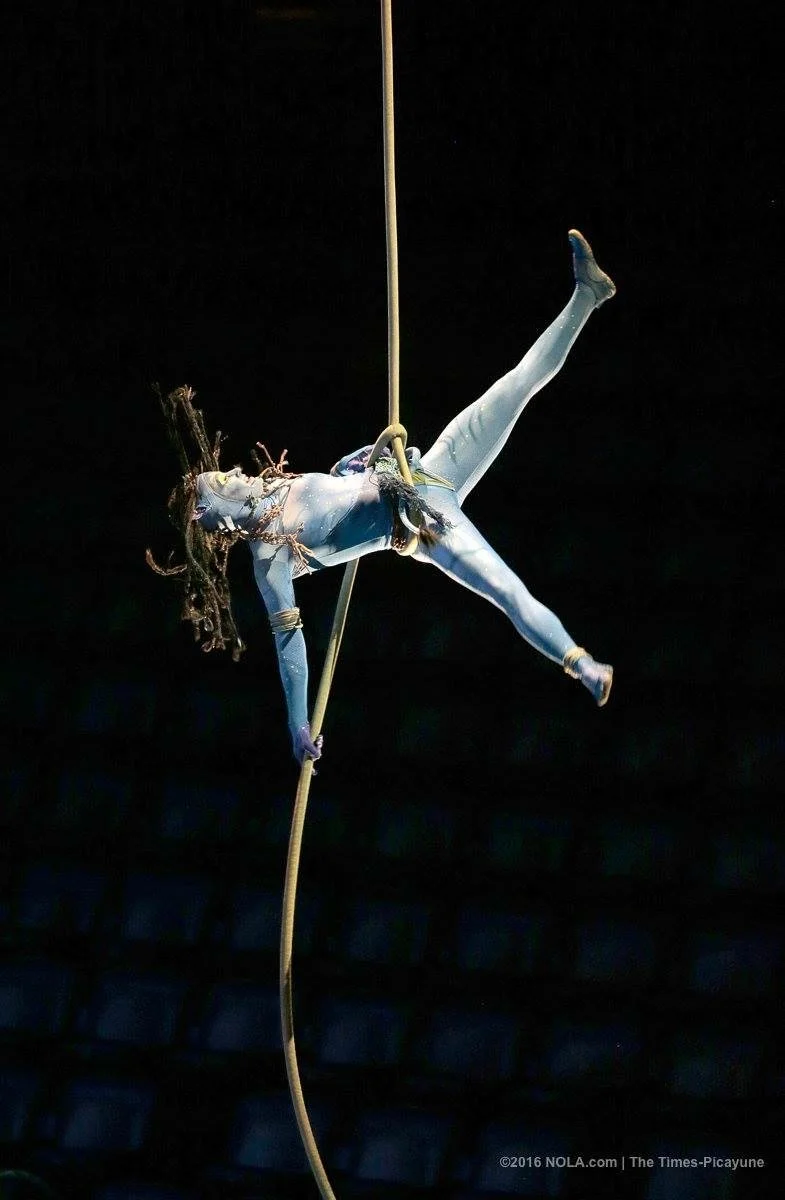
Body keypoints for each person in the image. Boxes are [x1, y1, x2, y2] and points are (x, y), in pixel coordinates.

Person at [149, 229, 616, 765]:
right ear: (219, 521)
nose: (234, 472)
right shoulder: (270, 557)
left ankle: (588, 295)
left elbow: (339, 489)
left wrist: (359, 461)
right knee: (506, 591)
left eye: (226, 471)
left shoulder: (279, 486)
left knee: (515, 387)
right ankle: (582, 664)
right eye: (224, 484)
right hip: (423, 523)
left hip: (427, 469)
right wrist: (298, 723)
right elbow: (290, 648)